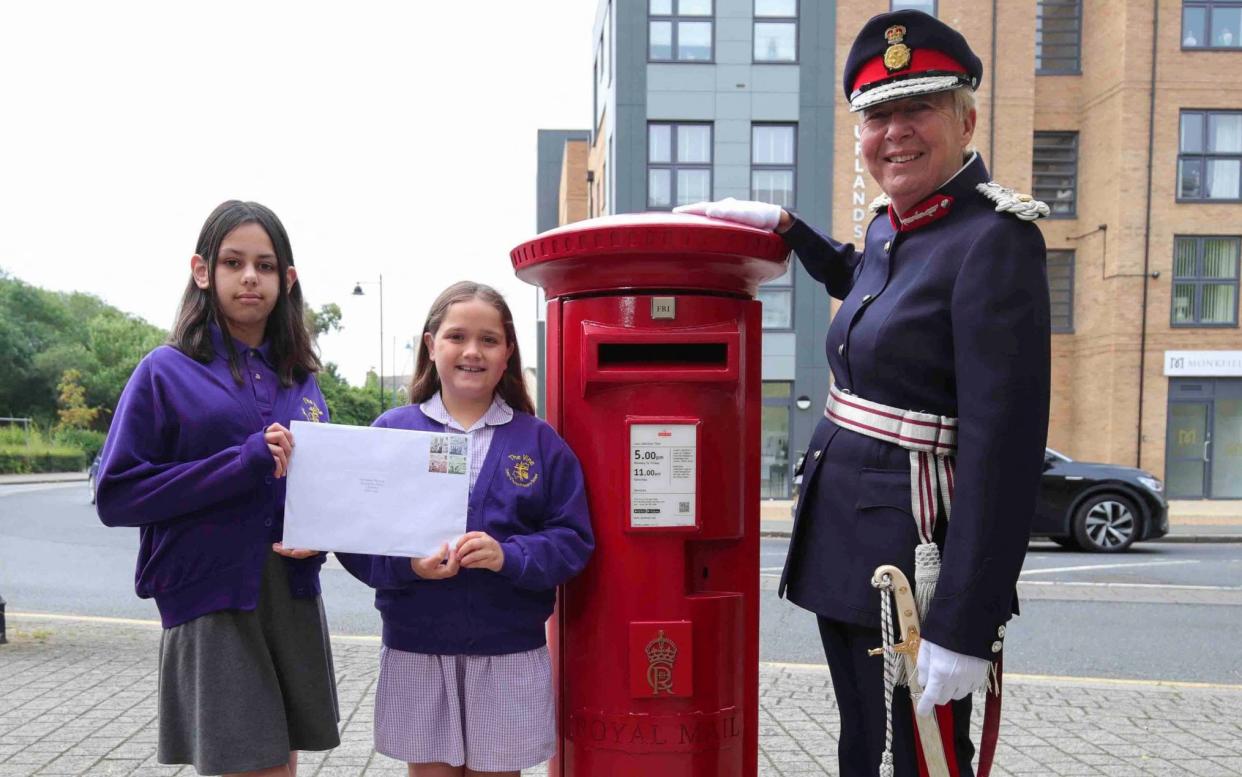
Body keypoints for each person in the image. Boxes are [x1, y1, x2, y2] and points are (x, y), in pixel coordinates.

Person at [677, 10, 1051, 777]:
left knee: (920, 758)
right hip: (847, 537)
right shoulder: (896, 226)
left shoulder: (996, 239)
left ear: (966, 117)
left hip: (915, 562)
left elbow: (1003, 454)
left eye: (918, 109)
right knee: (860, 742)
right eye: (878, 116)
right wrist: (790, 230)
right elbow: (879, 288)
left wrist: (965, 623)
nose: (896, 132)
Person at [96, 200, 339, 777]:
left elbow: (317, 486)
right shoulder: (164, 370)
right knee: (247, 768)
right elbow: (117, 494)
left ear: (288, 279)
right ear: (203, 272)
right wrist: (242, 462)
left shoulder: (299, 377)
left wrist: (321, 534)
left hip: (292, 595)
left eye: (266, 264)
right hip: (211, 598)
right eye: (233, 262)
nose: (250, 276)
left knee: (281, 762)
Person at [337, 281, 594, 777]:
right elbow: (354, 536)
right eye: (457, 336)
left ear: (508, 353)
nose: (472, 351)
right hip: (418, 647)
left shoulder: (539, 442)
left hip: (509, 651)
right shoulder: (393, 432)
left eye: (489, 340)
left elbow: (572, 539)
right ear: (432, 346)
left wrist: (509, 556)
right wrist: (407, 565)